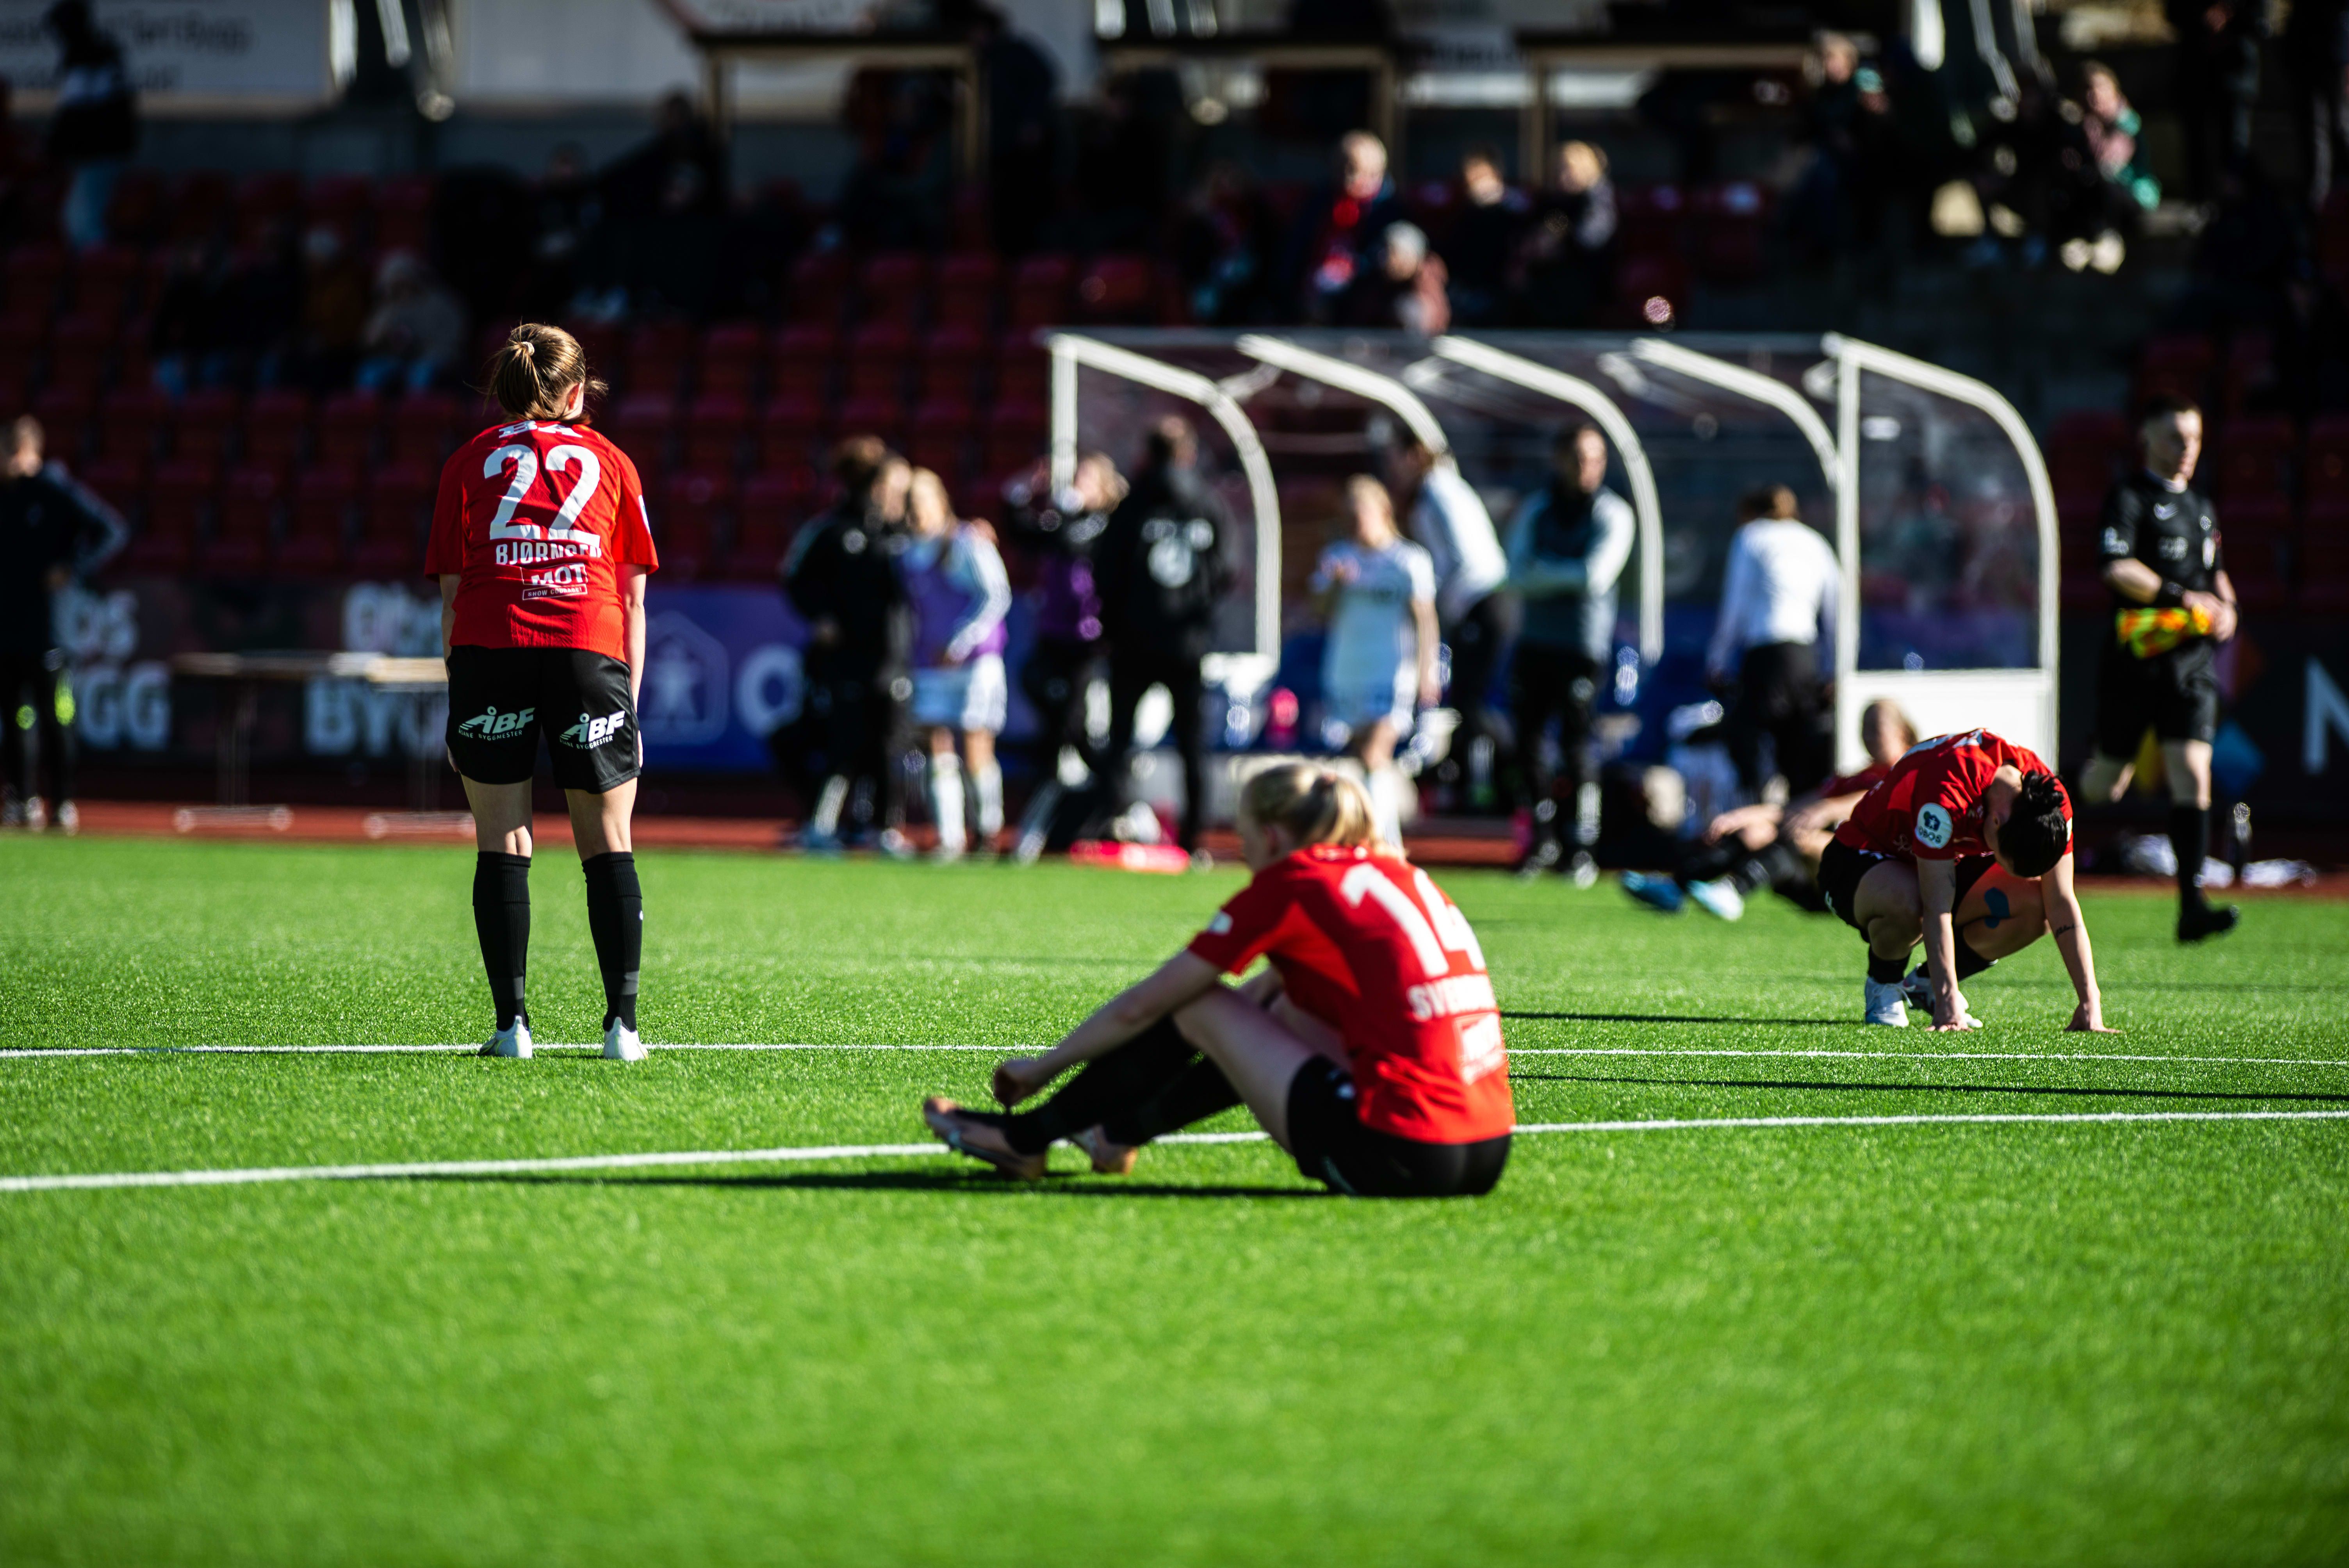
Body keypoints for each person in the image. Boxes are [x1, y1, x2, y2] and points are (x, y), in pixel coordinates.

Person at [920, 763, 1513, 1197]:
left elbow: (1148, 1006)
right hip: (1486, 1149)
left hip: (1398, 1155)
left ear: (1273, 837)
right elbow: (1259, 1004)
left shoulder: (1294, 883)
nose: (1245, 853)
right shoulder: (1393, 871)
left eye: (1246, 838)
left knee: (1197, 1004)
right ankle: (1112, 1136)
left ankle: (1024, 1140)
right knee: (1276, 1006)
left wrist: (1041, 1068)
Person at [424, 324, 659, 1062]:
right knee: (608, 841)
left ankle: (512, 1028)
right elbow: (633, 598)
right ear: (578, 391)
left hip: (492, 646)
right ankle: (623, 1030)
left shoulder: (467, 461)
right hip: (587, 643)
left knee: (502, 839)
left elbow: (452, 596)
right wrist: (628, 702)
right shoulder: (614, 461)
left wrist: (459, 693)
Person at [2079, 396, 2241, 943]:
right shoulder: (2129, 497)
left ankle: (2191, 905)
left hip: (2190, 665)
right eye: (2175, 437)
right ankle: (2036, 821)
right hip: (2134, 662)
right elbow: (2116, 567)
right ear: (2146, 437)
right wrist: (2182, 598)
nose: (2186, 448)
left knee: (2193, 772)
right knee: (2107, 785)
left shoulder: (2201, 506)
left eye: (2194, 438)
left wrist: (2228, 609)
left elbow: (2216, 575)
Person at [1820, 728, 2110, 1032]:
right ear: (1996, 822)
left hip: (1940, 863)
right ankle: (1884, 982)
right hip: (1858, 858)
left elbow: (2061, 900)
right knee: (1911, 900)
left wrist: (2090, 1002)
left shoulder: (2052, 804)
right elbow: (1937, 906)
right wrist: (1949, 1007)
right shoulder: (1949, 790)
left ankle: (1926, 984)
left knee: (2036, 905)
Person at [1621, 698, 1916, 920]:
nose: (1868, 735)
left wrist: (1828, 809)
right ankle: (1677, 887)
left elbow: (1877, 798)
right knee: (1755, 832)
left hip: (1873, 878)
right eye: (1864, 727)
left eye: (1876, 727)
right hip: (1819, 878)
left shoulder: (1908, 771)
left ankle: (1734, 889)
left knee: (1802, 836)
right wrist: (1739, 817)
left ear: (1902, 731)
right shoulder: (1852, 778)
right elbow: (1792, 809)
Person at [1095, 416, 1232, 860]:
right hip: (1187, 646)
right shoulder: (1209, 504)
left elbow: (1105, 572)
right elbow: (1227, 570)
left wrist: (1117, 624)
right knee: (1192, 744)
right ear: (1189, 454)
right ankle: (1194, 839)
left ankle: (1113, 825)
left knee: (1120, 739)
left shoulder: (1132, 506)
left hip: (1133, 643)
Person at [1504, 424, 1634, 883]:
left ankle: (1582, 845)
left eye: (1596, 458)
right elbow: (1514, 572)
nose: (1588, 468)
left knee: (1577, 745)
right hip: (1534, 642)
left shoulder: (1612, 512)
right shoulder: (1537, 509)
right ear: (1559, 460)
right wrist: (1562, 574)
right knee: (1528, 743)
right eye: (1579, 458)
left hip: (1582, 647)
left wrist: (1543, 572)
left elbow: (1595, 576)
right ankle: (1541, 841)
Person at [783, 439, 913, 853]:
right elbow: (795, 578)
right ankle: (821, 827)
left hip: (893, 657)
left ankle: (883, 829)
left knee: (889, 745)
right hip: (844, 659)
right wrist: (821, 616)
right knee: (841, 743)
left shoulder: (905, 535)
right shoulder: (831, 530)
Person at [0, 415, 125, 832]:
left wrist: (72, 569)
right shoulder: (6, 496)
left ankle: (64, 801)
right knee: (16, 719)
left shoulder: (56, 490)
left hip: (50, 632)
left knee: (57, 718)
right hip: (8, 629)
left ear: (22, 451)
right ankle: (21, 799)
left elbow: (110, 530)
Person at [1001, 451, 1123, 853]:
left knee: (1076, 725)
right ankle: (1072, 793)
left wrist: (1067, 509)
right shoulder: (1063, 523)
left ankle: (1113, 797)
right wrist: (1021, 492)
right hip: (1053, 636)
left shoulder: (1104, 525)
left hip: (1088, 641)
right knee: (1045, 703)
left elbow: (1073, 541)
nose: (1077, 487)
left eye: (1086, 480)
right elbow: (1023, 533)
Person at [1311, 476, 1438, 848]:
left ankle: (1384, 843)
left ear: (1383, 512)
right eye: (1349, 516)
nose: (1355, 524)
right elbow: (1319, 610)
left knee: (1374, 753)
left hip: (1392, 671)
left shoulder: (1408, 560)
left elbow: (1425, 618)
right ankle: (1379, 840)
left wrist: (1428, 670)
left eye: (1361, 514)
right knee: (1364, 761)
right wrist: (1336, 585)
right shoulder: (1338, 557)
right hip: (1348, 671)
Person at [1387, 434, 1512, 813]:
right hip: (1473, 604)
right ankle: (1462, 781)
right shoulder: (1433, 492)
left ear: (1413, 455)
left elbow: (1463, 558)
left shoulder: (1441, 492)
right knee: (1465, 701)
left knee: (1473, 702)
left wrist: (1442, 603)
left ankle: (1506, 774)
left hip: (1480, 603)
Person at [901, 468, 1011, 861]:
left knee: (977, 744)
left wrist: (961, 642)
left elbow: (996, 595)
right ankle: (949, 837)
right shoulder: (907, 552)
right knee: (937, 745)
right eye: (910, 505)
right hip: (929, 663)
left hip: (974, 663)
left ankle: (987, 832)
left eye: (921, 503)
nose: (916, 513)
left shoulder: (967, 542)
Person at [1706, 484, 1839, 800]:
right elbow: (1837, 610)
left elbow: (1735, 608)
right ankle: (1798, 818)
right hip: (1805, 658)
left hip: (1766, 655)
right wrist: (1835, 669)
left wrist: (1716, 662)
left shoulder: (1750, 537)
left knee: (1746, 739)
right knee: (1797, 755)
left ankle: (1755, 810)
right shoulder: (1816, 542)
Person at [42, 0, 136, 251]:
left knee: (83, 221)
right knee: (78, 218)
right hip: (98, 149)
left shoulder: (89, 55)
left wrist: (54, 146)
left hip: (101, 149)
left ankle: (101, 269)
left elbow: (78, 109)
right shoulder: (95, 52)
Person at [1285, 130, 1407, 324]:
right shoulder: (1321, 203)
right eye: (1341, 169)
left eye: (1355, 170)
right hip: (1313, 291)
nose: (1347, 177)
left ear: (1376, 173)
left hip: (1359, 294)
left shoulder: (1388, 211)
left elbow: (1381, 261)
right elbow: (1296, 251)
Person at [1518, 141, 1616, 328]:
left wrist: (1560, 241)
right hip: (1545, 282)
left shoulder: (1596, 201)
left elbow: (1591, 241)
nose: (1563, 176)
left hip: (1585, 285)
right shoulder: (1550, 201)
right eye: (1558, 170)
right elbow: (1531, 234)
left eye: (1569, 169)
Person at [1440, 146, 1530, 327]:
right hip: (1467, 290)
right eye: (1469, 176)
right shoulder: (1462, 210)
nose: (1473, 182)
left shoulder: (1517, 207)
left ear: (1496, 174)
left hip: (1502, 291)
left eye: (1480, 175)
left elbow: (1554, 221)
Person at [355, 252, 468, 394]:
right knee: (369, 372)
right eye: (395, 283)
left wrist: (417, 342)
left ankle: (418, 409)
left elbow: (454, 342)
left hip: (431, 357)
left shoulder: (441, 303)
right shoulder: (388, 306)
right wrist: (390, 308)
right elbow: (369, 341)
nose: (402, 287)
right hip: (399, 359)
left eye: (403, 279)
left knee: (420, 373)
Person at [2284, 0, 2349, 213]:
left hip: (2331, 50)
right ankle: (2318, 201)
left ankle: (2322, 201)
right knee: (2316, 129)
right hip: (2310, 49)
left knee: (2335, 126)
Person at [1339, 221, 1450, 335]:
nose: (1383, 256)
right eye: (1383, 248)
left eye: (1392, 251)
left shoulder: (1426, 287)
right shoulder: (1370, 283)